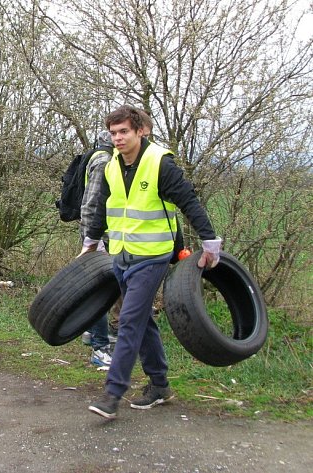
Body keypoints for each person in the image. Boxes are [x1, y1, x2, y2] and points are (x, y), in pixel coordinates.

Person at [83, 105, 221, 419]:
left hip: (153, 257)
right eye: (113, 133)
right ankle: (159, 385)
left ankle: (112, 393)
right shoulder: (112, 165)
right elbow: (103, 208)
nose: (117, 138)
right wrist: (92, 241)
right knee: (142, 321)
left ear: (140, 131)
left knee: (129, 320)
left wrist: (210, 242)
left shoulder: (161, 163)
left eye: (123, 132)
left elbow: (189, 202)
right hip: (121, 255)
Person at [79, 131, 115, 370]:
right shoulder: (104, 162)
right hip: (99, 236)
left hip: (100, 235)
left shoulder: (100, 157)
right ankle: (100, 349)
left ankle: (92, 334)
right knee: (101, 290)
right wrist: (92, 240)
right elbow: (92, 203)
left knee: (99, 287)